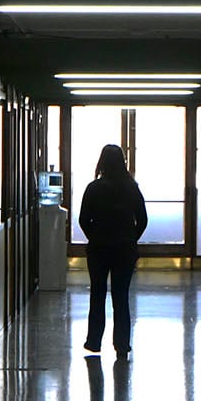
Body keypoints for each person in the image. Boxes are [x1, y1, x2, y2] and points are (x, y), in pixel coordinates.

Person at [77, 143, 148, 357]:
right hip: (124, 249)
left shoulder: (93, 188)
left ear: (102, 162)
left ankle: (94, 341)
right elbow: (143, 219)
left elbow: (83, 219)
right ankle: (122, 345)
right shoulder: (131, 187)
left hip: (99, 249)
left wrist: (95, 236)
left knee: (97, 294)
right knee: (121, 296)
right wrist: (130, 239)